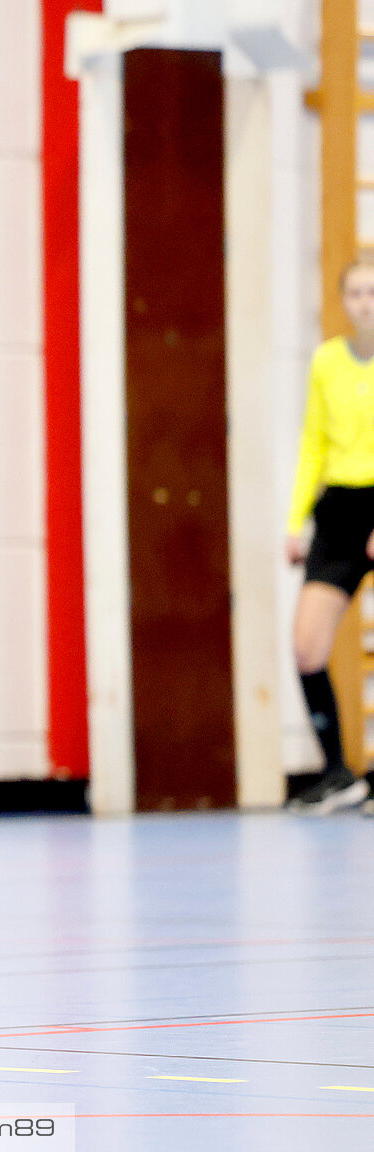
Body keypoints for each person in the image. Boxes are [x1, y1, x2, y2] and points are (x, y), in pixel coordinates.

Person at [286, 259, 374, 814]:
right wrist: (297, 520)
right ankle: (337, 773)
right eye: (357, 293)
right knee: (307, 646)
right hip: (340, 510)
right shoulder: (327, 362)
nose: (366, 302)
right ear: (344, 301)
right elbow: (313, 443)